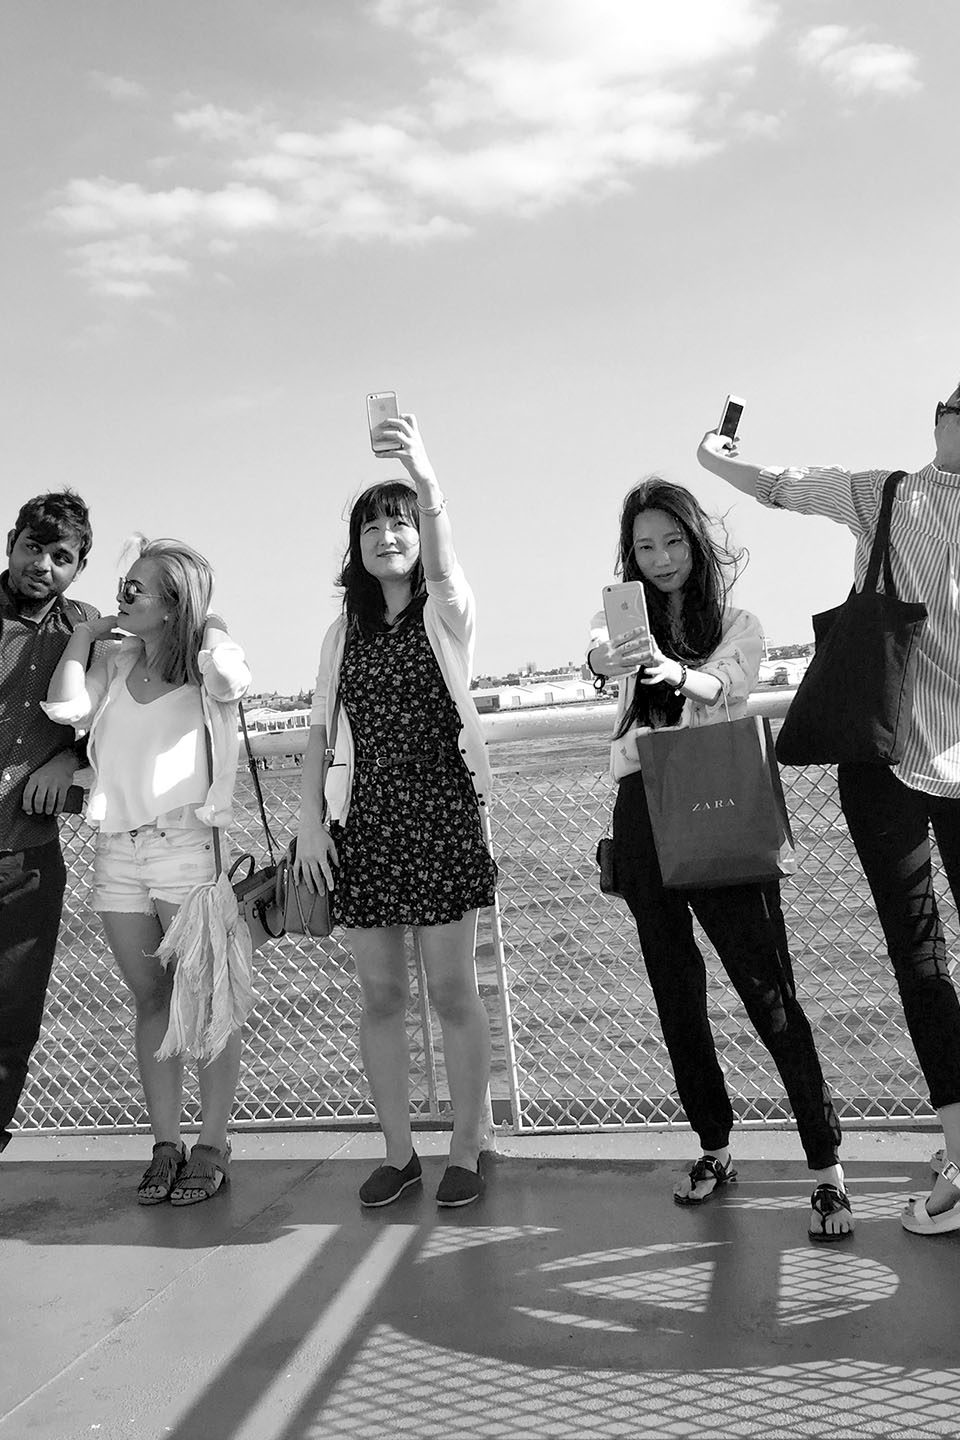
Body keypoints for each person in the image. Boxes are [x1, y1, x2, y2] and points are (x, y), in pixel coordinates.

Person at [698, 381, 960, 1237]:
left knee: (919, 955)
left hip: (881, 754)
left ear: (938, 423)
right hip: (909, 762)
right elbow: (781, 484)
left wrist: (714, 455)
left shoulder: (883, 492)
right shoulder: (883, 492)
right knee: (922, 958)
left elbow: (776, 484)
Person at [587, 477, 852, 1240]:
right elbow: (600, 658)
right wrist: (612, 658)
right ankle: (714, 1146)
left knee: (769, 992)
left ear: (698, 543)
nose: (662, 557)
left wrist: (674, 672)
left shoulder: (740, 623)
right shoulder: (624, 627)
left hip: (718, 799)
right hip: (641, 807)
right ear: (629, 557)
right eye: (645, 546)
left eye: (673, 541)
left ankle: (827, 1171)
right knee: (675, 991)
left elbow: (727, 684)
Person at [295, 414, 497, 1209]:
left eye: (401, 522)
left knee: (452, 991)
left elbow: (444, 565)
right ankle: (399, 1152)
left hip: (442, 812)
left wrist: (423, 474)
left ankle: (467, 1148)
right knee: (380, 996)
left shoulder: (446, 613)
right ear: (356, 545)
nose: (388, 536)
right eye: (373, 526)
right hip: (367, 823)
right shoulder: (341, 630)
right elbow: (319, 732)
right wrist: (311, 824)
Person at [44, 538, 251, 1205]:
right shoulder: (116, 660)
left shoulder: (205, 669)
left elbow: (230, 679)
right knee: (152, 1000)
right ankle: (166, 1143)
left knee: (209, 1003)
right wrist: (84, 636)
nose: (122, 596)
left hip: (186, 849)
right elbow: (65, 708)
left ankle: (212, 1145)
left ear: (172, 602)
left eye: (136, 589)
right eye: (122, 586)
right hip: (119, 852)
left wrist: (210, 624)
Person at [0, 491, 101, 1154]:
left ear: (77, 567)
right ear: (11, 543)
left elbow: (119, 711)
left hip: (28, 859)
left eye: (60, 556)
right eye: (33, 547)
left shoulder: (85, 628)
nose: (43, 564)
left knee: (13, 1024)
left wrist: (71, 757)